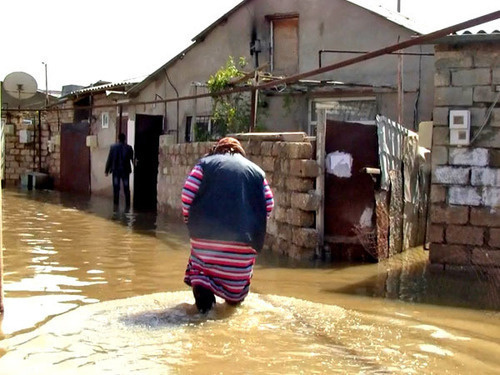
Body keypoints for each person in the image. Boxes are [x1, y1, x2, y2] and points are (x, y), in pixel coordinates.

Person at [181, 137, 274, 313]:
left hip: (205, 242)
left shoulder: (205, 164)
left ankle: (204, 304)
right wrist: (251, 227)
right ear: (240, 152)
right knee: (234, 304)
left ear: (218, 150)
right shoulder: (257, 172)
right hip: (242, 250)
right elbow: (268, 204)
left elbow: (187, 195)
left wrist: (191, 224)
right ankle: (234, 298)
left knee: (200, 274)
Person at [105, 133, 134, 208]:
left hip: (116, 171)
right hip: (125, 170)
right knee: (126, 189)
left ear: (118, 139)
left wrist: (106, 170)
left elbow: (110, 159)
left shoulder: (113, 147)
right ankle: (128, 206)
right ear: (125, 139)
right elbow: (132, 159)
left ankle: (115, 206)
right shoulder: (129, 147)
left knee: (116, 188)